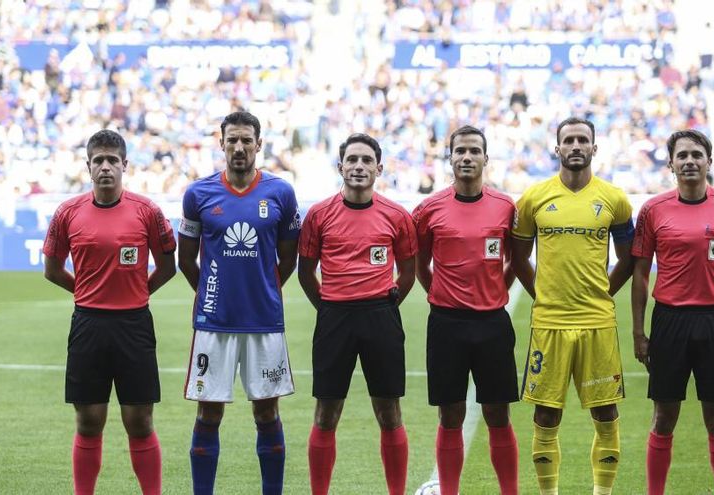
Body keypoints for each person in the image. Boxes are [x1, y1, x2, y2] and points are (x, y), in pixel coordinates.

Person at [42, 129, 176, 495]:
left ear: (124, 165)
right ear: (88, 167)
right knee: (88, 421)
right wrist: (85, 292)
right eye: (98, 161)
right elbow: (52, 270)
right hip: (88, 324)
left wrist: (137, 291)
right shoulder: (67, 212)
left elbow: (167, 266)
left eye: (112, 160)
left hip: (134, 324)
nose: (105, 167)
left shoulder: (147, 211)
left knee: (140, 420)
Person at [510, 117, 635, 495]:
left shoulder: (615, 199)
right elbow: (518, 259)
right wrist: (544, 296)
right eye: (569, 140)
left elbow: (628, 260)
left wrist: (602, 293)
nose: (576, 146)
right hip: (549, 324)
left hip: (597, 322)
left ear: (594, 148)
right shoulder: (534, 198)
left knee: (606, 413)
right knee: (546, 413)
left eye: (583, 140)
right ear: (557, 148)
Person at [178, 111, 300, 495]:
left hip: (264, 323)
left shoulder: (280, 193)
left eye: (247, 140)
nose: (239, 147)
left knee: (267, 412)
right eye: (232, 140)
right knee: (209, 413)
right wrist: (214, 295)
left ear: (259, 144)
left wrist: (260, 290)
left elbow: (288, 260)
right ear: (222, 143)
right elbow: (185, 260)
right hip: (214, 325)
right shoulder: (198, 194)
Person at [631, 129, 714, 495]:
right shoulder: (654, 210)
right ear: (671, 164)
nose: (689, 161)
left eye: (696, 155)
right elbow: (640, 274)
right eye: (682, 155)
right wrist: (639, 333)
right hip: (669, 320)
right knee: (664, 417)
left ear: (709, 162)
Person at [298, 133, 417, 495]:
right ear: (341, 167)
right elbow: (306, 272)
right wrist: (329, 307)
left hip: (380, 316)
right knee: (326, 413)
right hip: (335, 317)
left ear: (379, 168)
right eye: (353, 160)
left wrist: (384, 306)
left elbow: (409, 272)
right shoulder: (319, 215)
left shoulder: (396, 215)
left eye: (367, 160)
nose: (359, 166)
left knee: (389, 412)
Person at [411, 125, 519, 495]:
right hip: (446, 323)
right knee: (450, 414)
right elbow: (420, 264)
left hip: (492, 323)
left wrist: (494, 291)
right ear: (451, 158)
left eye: (475, 151)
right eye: (461, 151)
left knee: (498, 415)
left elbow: (514, 262)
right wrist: (440, 293)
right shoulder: (428, 209)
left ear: (486, 158)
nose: (467, 157)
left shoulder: (505, 207)